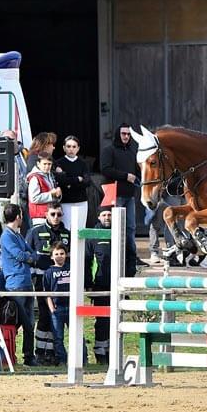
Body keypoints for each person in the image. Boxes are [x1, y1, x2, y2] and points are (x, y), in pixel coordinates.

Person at [26, 202, 71, 364]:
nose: (56, 217)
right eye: (53, 214)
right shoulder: (35, 232)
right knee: (45, 315)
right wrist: (32, 277)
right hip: (42, 280)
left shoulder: (67, 234)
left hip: (63, 282)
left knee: (57, 315)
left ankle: (53, 353)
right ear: (46, 215)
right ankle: (41, 352)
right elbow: (28, 256)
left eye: (59, 214)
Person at [101, 122, 143, 275]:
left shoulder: (132, 151)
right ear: (118, 134)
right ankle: (113, 255)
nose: (126, 136)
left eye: (128, 134)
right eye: (123, 134)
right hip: (114, 194)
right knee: (114, 227)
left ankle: (132, 257)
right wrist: (125, 176)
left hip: (129, 195)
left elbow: (138, 171)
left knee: (130, 228)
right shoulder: (109, 150)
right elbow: (105, 169)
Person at [0, 203, 39, 367]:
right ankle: (13, 354)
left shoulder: (18, 235)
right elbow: (21, 255)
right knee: (20, 322)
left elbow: (31, 252)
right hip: (16, 284)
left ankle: (28, 356)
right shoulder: (6, 236)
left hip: (26, 283)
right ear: (18, 217)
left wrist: (30, 256)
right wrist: (30, 257)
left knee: (30, 323)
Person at [85, 206, 113, 365]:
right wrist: (88, 284)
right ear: (98, 217)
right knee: (102, 320)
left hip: (117, 284)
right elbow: (87, 261)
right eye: (104, 215)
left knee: (114, 320)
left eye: (109, 214)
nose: (107, 217)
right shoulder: (93, 235)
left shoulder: (121, 232)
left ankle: (112, 351)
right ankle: (100, 352)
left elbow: (130, 257)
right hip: (99, 285)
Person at [44, 242, 73, 366]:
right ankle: (62, 360)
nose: (59, 256)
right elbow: (46, 292)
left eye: (62, 253)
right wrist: (52, 308)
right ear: (51, 256)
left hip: (72, 308)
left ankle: (81, 360)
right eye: (56, 254)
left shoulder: (72, 268)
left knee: (77, 336)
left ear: (66, 255)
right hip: (57, 308)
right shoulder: (49, 272)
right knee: (58, 337)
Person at [54, 135, 90, 231]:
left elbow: (87, 182)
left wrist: (69, 183)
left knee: (81, 230)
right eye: (68, 146)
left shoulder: (83, 164)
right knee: (66, 229)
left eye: (74, 147)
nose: (71, 149)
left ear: (78, 148)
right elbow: (61, 181)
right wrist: (77, 179)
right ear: (64, 148)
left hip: (81, 201)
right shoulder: (59, 163)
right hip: (65, 202)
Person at [27, 151, 62, 227]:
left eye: (49, 164)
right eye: (44, 164)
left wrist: (58, 195)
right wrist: (51, 194)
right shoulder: (35, 178)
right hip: (39, 217)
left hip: (50, 216)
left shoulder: (50, 175)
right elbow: (34, 198)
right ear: (38, 164)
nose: (47, 166)